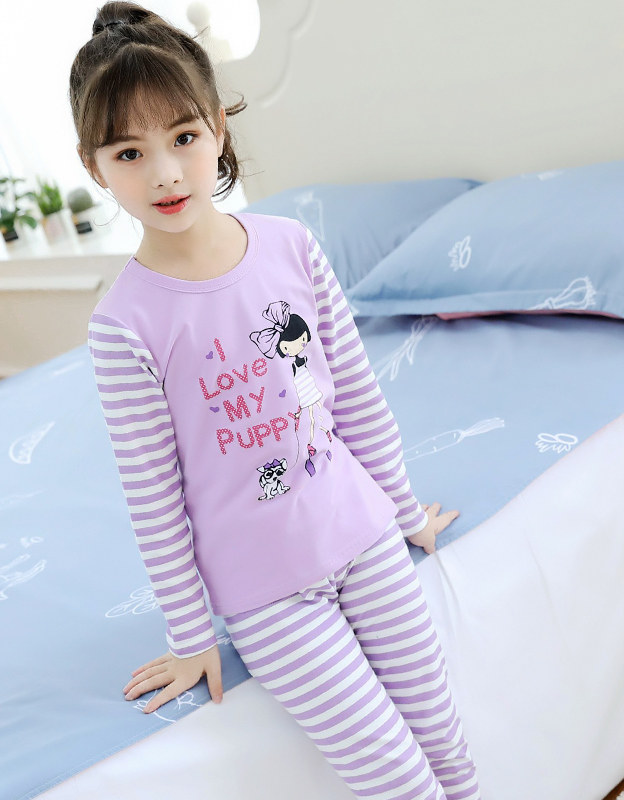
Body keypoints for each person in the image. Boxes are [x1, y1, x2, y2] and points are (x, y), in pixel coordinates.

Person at [71, 3, 482, 798]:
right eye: (130, 153)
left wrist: (404, 514)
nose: (165, 174)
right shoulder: (123, 326)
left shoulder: (292, 246)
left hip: (366, 539)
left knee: (448, 750)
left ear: (219, 128)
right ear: (95, 168)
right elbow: (154, 497)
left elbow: (355, 397)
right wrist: (192, 634)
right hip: (269, 598)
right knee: (398, 780)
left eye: (183, 137)